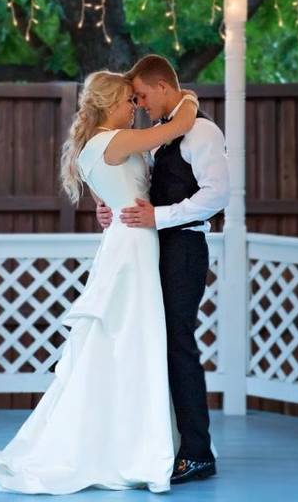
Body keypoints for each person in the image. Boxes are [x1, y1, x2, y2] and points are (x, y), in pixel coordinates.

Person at [0, 70, 200, 494]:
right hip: (132, 246)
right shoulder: (110, 141)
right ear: (111, 103)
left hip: (130, 239)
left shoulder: (98, 146)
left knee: (126, 339)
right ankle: (123, 444)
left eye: (136, 101)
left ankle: (134, 436)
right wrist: (186, 96)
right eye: (128, 101)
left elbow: (112, 197)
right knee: (130, 337)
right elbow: (178, 126)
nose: (134, 107)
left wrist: (109, 208)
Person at [98, 54, 229, 484]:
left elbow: (216, 196)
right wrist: (112, 208)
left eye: (140, 96)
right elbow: (147, 187)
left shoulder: (203, 131)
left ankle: (197, 452)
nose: (139, 105)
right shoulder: (160, 139)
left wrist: (160, 217)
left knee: (179, 345)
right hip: (157, 248)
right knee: (157, 342)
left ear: (160, 87)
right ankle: (165, 442)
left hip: (186, 249)